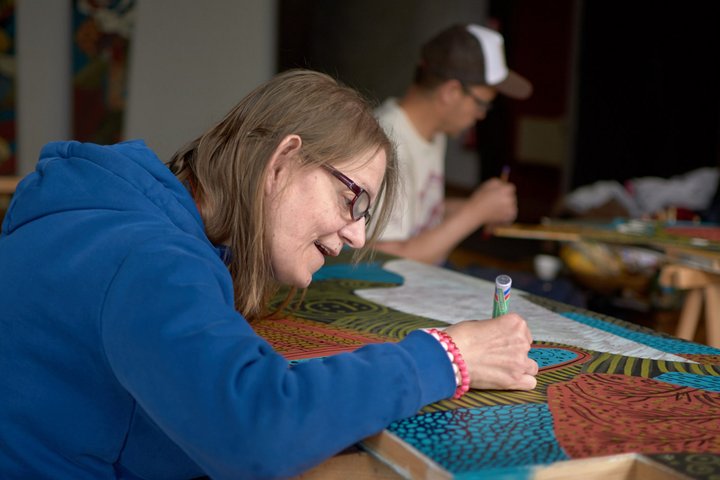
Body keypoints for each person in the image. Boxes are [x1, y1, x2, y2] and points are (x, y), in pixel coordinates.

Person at [0, 69, 538, 479]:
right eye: (354, 199)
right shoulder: (150, 260)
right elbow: (257, 428)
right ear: (281, 161)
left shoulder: (116, 215)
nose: (355, 235)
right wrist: (447, 357)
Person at [375, 23, 532, 264]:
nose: (482, 115)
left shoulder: (434, 131)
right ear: (451, 92)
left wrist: (481, 207)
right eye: (481, 104)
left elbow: (416, 212)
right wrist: (474, 212)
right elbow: (384, 259)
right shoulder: (386, 145)